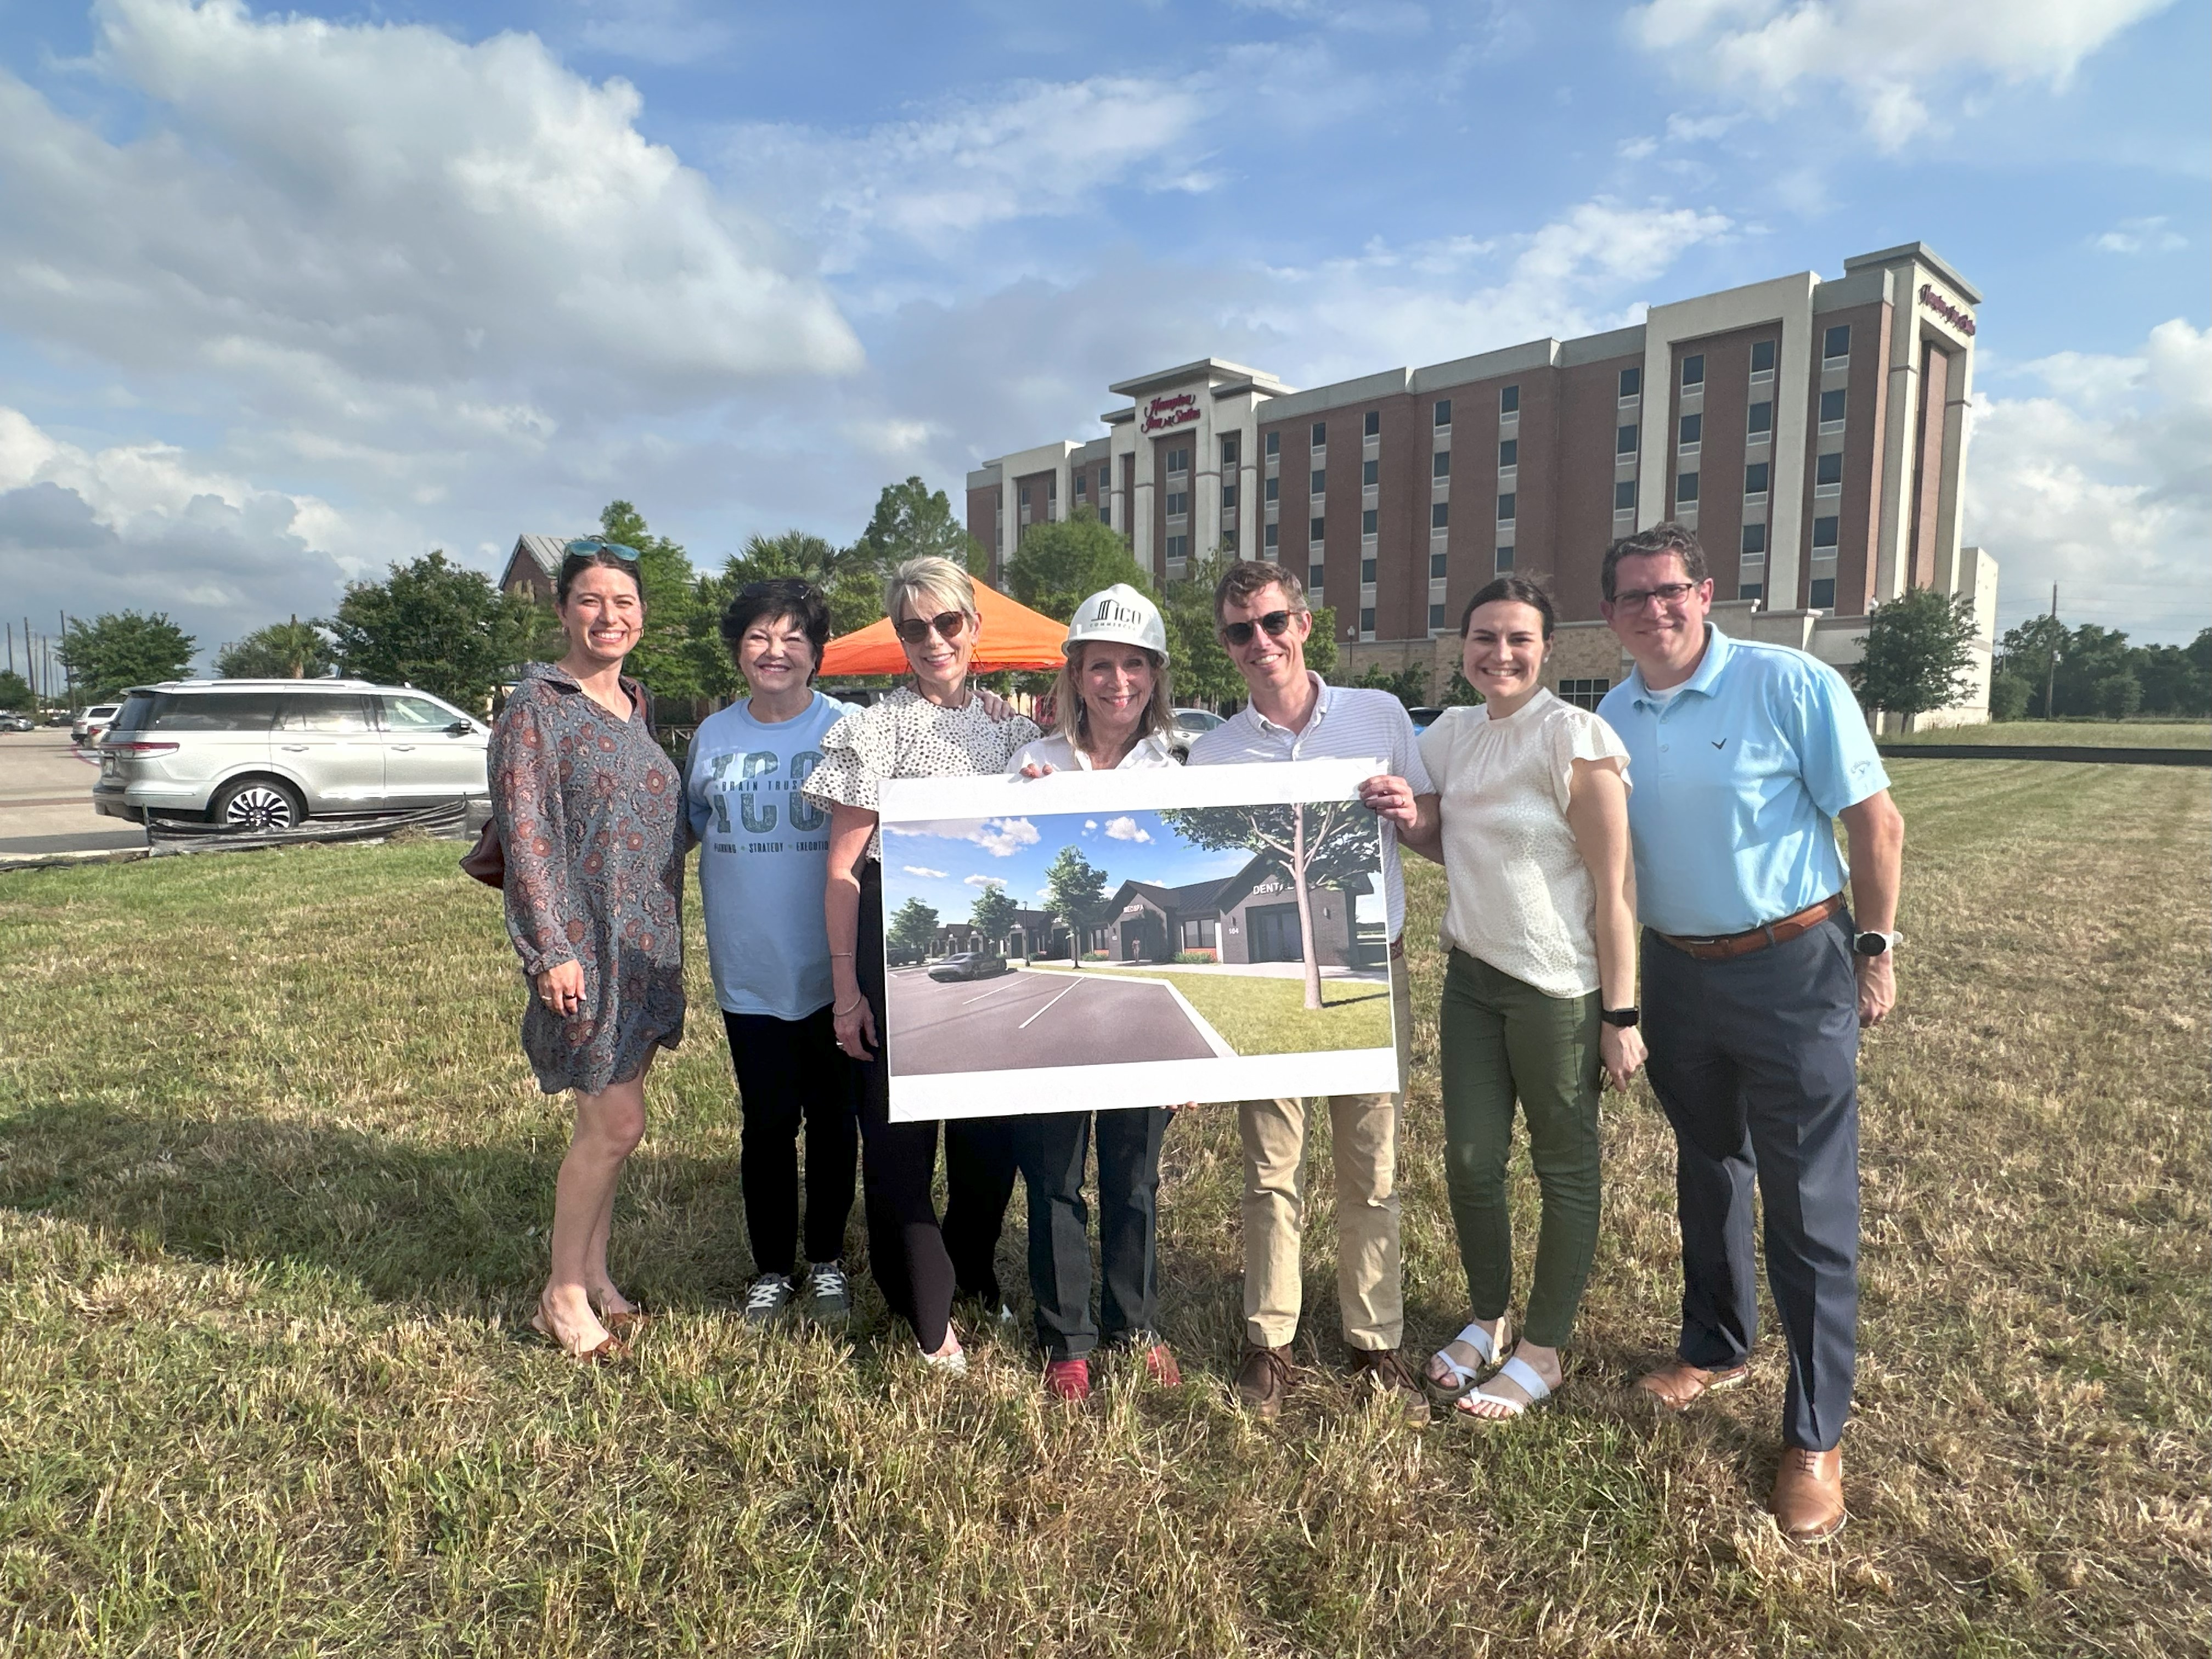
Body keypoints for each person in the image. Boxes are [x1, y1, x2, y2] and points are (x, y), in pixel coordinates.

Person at [1595, 523, 1903, 1543]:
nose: (1655, 610)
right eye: (1634, 597)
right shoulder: (1613, 711)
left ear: (1706, 591)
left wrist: (1874, 946)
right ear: (1612, 616)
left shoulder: (1790, 684)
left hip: (1792, 964)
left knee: (1809, 1200)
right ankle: (1718, 1346)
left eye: (1670, 590)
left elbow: (1876, 824)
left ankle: (1816, 1433)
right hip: (1679, 971)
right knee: (1709, 1167)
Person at [1184, 560, 1438, 1424]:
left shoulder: (1380, 715)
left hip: (1370, 967)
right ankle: (1272, 1343)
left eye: (1272, 622)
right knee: (1269, 1170)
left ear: (1304, 623)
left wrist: (1411, 811)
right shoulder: (1212, 751)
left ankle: (1377, 1345)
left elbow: (1435, 831)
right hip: (1273, 978)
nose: (1260, 643)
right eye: (1240, 631)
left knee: (1372, 1168)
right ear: (1227, 645)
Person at [1400, 577, 1643, 1422]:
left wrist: (1621, 1014)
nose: (1500, 655)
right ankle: (1488, 1316)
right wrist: (1405, 815)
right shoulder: (1453, 735)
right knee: (1470, 1162)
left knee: (1562, 1166)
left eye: (1519, 640)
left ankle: (1542, 1350)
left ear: (1545, 650)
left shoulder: (1572, 735)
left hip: (1558, 989)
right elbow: (1443, 840)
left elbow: (1616, 890)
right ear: (1460, 647)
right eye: (1484, 638)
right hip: (1471, 978)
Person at [802, 556, 1040, 1374]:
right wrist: (846, 991)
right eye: (913, 627)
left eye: (947, 623)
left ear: (975, 626)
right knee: (901, 1144)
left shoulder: (1015, 732)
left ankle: (972, 1267)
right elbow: (840, 870)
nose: (932, 640)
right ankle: (927, 1315)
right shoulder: (871, 730)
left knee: (989, 1145)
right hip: (893, 951)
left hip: (992, 956)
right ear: (898, 637)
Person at [489, 538, 688, 1362]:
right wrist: (551, 949)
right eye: (591, 600)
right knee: (616, 1124)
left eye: (625, 602)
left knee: (609, 1123)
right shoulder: (538, 706)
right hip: (584, 945)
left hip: (645, 945)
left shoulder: (635, 706)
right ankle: (562, 1297)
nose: (610, 616)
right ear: (564, 608)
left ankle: (597, 1277)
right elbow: (526, 834)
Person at [1006, 584, 1184, 1403]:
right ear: (1075, 674)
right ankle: (1067, 1338)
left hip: (1142, 994)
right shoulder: (1029, 762)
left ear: (1156, 675)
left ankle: (1135, 1324)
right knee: (1054, 1174)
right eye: (1102, 666)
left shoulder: (1184, 764)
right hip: (1057, 998)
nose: (1119, 682)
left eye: (1135, 666)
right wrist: (1021, 809)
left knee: (1134, 1170)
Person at [686, 578, 857, 1328]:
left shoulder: (851, 728)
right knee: (764, 1122)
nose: (775, 651)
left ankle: (825, 1262)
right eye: (759, 636)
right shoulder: (712, 737)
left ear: (818, 653)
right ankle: (770, 1269)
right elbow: (688, 826)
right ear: (739, 650)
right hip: (748, 969)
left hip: (835, 969)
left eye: (792, 637)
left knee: (832, 1119)